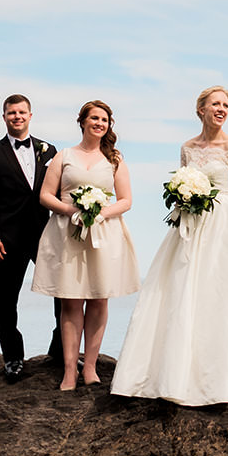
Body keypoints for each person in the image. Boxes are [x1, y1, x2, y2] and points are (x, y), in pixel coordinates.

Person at [112, 87, 228, 406]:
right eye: (216, 104)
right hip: (190, 224)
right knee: (182, 290)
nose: (222, 109)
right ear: (200, 109)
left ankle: (224, 370)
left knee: (224, 291)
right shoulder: (187, 147)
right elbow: (182, 180)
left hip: (225, 226)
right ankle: (178, 370)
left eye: (226, 104)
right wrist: (183, 197)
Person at [33, 100, 140, 391]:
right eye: (94, 118)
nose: (99, 123)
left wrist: (99, 213)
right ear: (82, 121)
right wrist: (72, 211)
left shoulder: (115, 159)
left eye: (104, 119)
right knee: (70, 300)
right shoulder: (64, 156)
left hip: (104, 235)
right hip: (68, 234)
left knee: (98, 298)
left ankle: (90, 367)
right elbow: (46, 195)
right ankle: (70, 370)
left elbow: (126, 200)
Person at [0, 93, 58, 383]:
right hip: (7, 239)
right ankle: (12, 357)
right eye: (11, 113)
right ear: (4, 117)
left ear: (30, 116)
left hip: (45, 234)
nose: (17, 117)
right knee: (6, 299)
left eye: (22, 112)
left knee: (60, 291)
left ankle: (59, 349)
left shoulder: (49, 150)